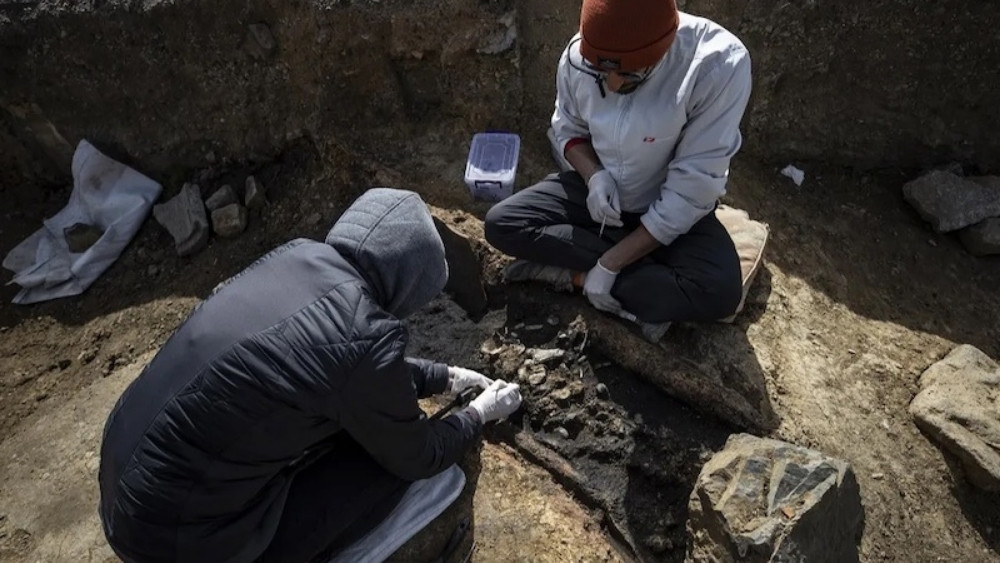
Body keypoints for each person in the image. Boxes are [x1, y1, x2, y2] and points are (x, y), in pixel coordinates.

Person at [98, 188, 522, 563]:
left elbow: (332, 364)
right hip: (181, 544)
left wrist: (441, 376)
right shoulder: (365, 337)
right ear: (408, 285)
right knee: (383, 464)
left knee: (341, 421)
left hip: (125, 490)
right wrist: (475, 417)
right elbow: (418, 454)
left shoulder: (294, 257)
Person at [485, 0, 751, 340]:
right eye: (600, 72)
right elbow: (568, 127)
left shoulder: (717, 66)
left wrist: (610, 264)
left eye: (629, 76)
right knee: (502, 224)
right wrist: (594, 175)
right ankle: (642, 285)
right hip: (601, 195)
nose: (611, 85)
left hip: (669, 205)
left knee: (720, 294)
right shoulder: (577, 56)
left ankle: (577, 276)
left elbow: (692, 188)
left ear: (662, 51)